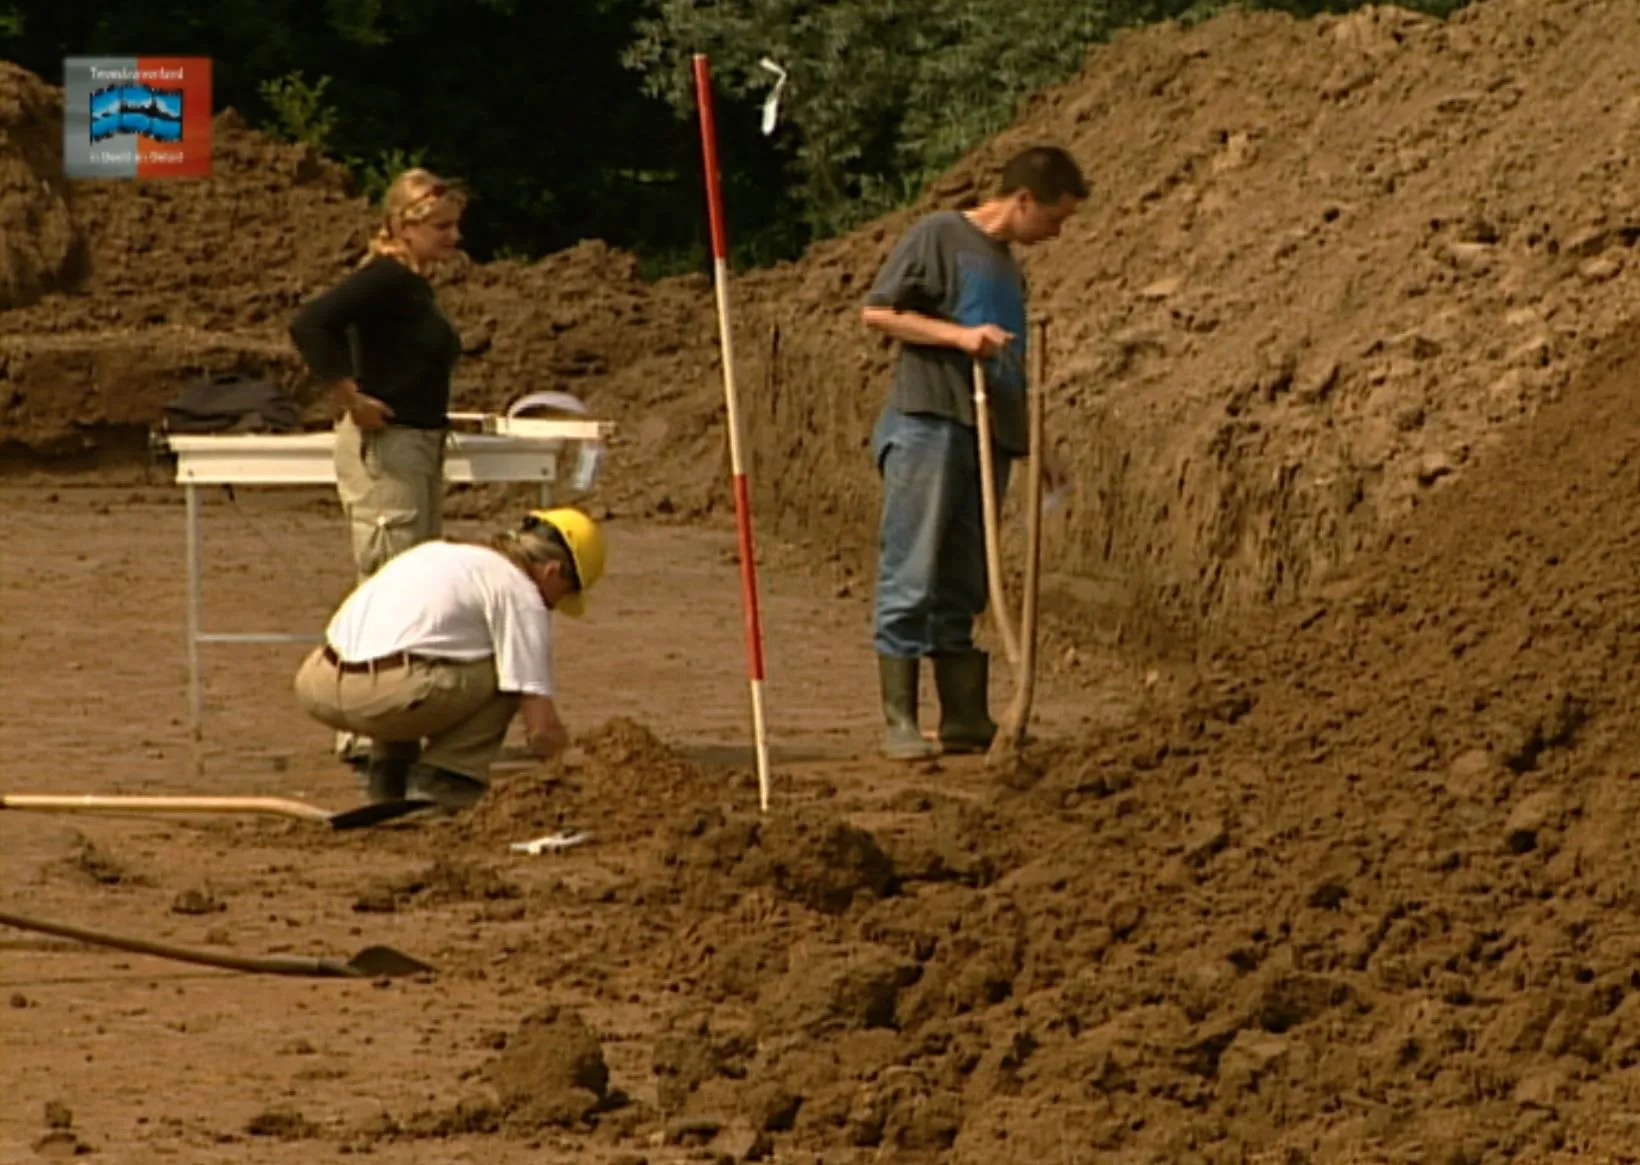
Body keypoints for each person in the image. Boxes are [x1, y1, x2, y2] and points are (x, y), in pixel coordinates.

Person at [860, 145, 1086, 761]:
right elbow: (878, 312)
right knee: (912, 572)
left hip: (987, 435)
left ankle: (964, 717)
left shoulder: (1010, 269)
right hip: (928, 421)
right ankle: (900, 721)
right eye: (1054, 218)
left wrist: (1039, 445)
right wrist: (961, 337)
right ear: (1024, 201)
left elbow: (1011, 368)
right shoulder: (940, 236)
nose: (1057, 233)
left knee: (964, 581)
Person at [288, 167, 468, 771]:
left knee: (412, 581)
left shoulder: (411, 286)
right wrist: (350, 398)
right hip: (388, 446)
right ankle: (362, 725)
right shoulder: (385, 279)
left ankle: (388, 720)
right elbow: (311, 323)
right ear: (406, 226)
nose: (453, 237)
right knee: (388, 584)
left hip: (415, 442)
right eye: (441, 226)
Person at [292, 508, 606, 811]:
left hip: (317, 682)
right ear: (553, 571)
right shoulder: (521, 593)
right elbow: (541, 731)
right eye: (565, 593)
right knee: (511, 674)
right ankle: (445, 783)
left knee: (421, 659)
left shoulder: (443, 554)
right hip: (382, 699)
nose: (555, 606)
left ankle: (389, 779)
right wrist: (586, 776)